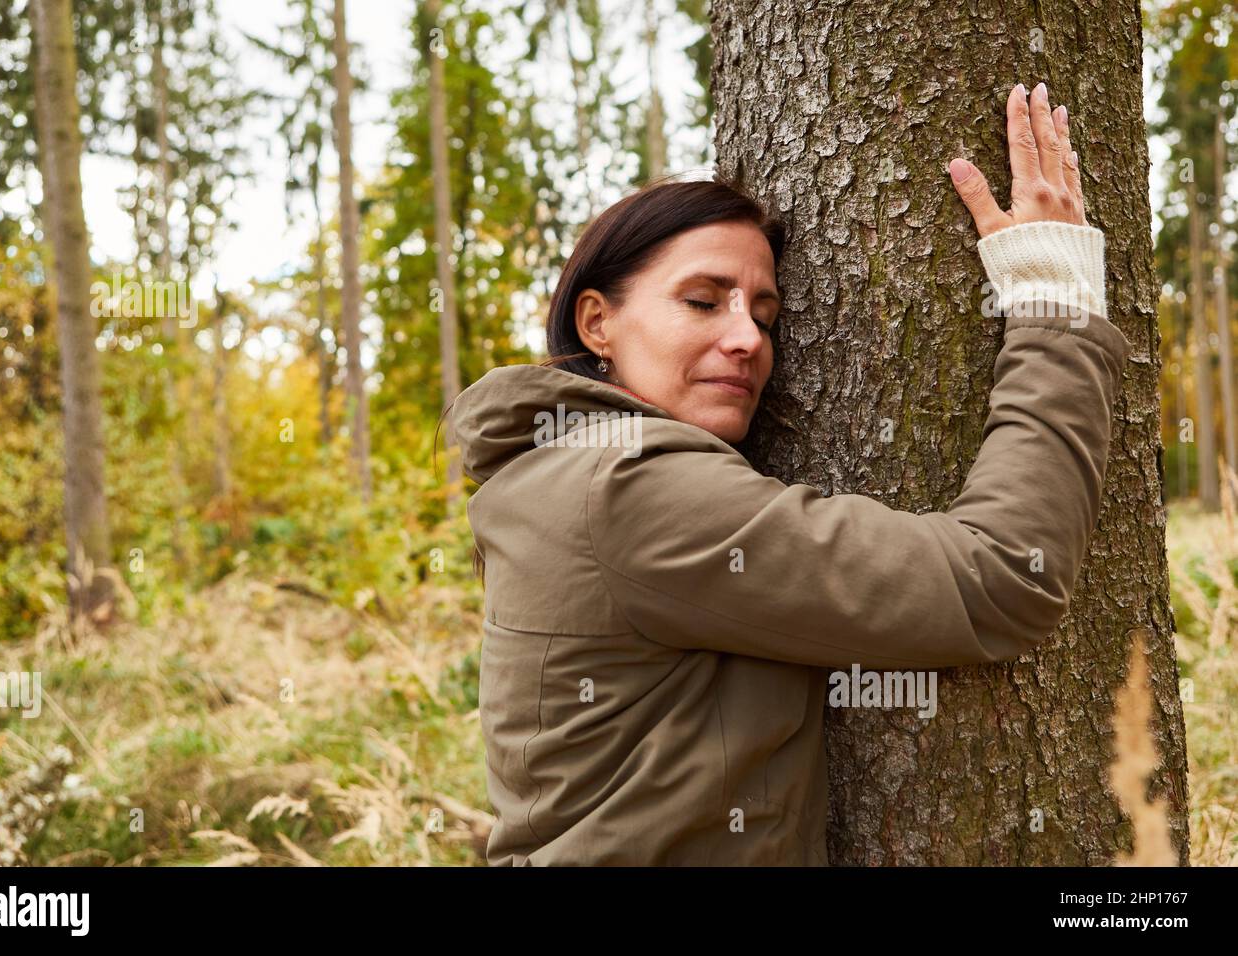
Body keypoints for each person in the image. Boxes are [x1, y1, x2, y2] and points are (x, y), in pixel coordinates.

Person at [451, 81, 1132, 865]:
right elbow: (1007, 576)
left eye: (765, 315)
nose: (746, 338)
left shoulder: (558, 468)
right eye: (704, 302)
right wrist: (1056, 301)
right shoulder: (629, 488)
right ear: (598, 320)